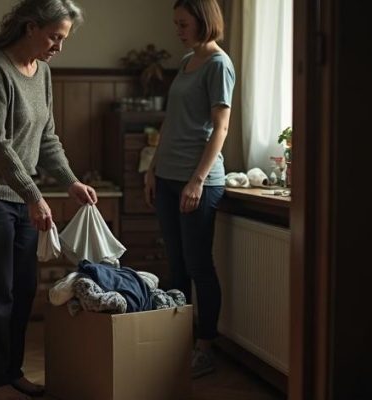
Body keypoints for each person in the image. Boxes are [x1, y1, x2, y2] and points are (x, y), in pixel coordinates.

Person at [0, 1, 95, 399]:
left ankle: (11, 372)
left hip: (19, 194)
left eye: (63, 39)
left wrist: (70, 182)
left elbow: (47, 137)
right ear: (30, 28)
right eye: (54, 37)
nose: (58, 47)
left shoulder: (42, 72)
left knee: (22, 288)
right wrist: (34, 194)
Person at [142, 0, 235, 379]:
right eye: (176, 23)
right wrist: (152, 167)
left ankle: (205, 346)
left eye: (183, 24)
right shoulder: (186, 62)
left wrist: (197, 180)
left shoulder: (218, 64)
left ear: (202, 21)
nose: (177, 30)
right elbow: (171, 120)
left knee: (198, 265)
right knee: (176, 265)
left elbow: (221, 128)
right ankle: (176, 344)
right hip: (167, 177)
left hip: (198, 182)